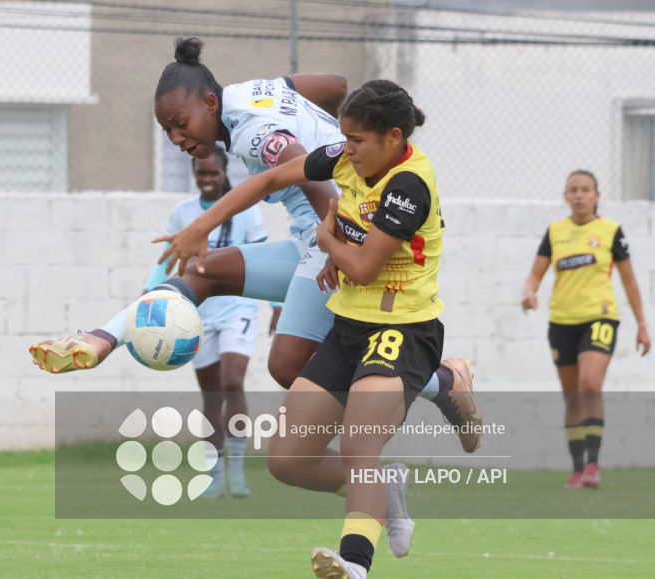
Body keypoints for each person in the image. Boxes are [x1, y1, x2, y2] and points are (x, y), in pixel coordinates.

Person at [29, 37, 482, 456]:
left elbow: (308, 177)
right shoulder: (255, 91)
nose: (176, 138)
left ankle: (432, 388)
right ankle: (104, 337)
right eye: (166, 130)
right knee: (200, 274)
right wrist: (331, 128)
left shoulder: (251, 131)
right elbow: (337, 85)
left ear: (210, 103)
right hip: (312, 242)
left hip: (332, 244)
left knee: (287, 365)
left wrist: (334, 242)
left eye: (181, 124)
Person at [160, 79, 451, 578]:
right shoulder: (347, 157)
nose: (345, 148)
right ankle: (387, 486)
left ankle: (354, 565)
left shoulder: (408, 185)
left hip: (401, 330)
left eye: (356, 139)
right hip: (349, 327)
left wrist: (328, 242)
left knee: (359, 444)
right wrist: (203, 224)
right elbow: (271, 179)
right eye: (344, 136)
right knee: (288, 460)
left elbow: (363, 268)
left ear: (393, 138)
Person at [143, 146, 280, 498]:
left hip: (238, 309)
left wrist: (277, 304)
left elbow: (263, 258)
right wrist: (148, 293)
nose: (207, 179)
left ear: (224, 173)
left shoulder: (244, 208)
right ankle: (215, 475)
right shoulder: (184, 212)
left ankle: (237, 472)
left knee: (232, 382)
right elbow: (169, 257)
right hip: (197, 314)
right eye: (201, 173)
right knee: (212, 395)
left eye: (213, 173)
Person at [522, 170, 650, 490]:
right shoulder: (555, 231)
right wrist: (529, 291)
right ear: (566, 196)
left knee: (589, 383)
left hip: (600, 318)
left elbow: (630, 280)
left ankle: (593, 464)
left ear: (597, 195)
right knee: (572, 397)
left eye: (585, 189)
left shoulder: (610, 231)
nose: (579, 195)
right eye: (573, 190)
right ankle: (578, 470)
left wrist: (642, 325)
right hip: (561, 323)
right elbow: (535, 273)